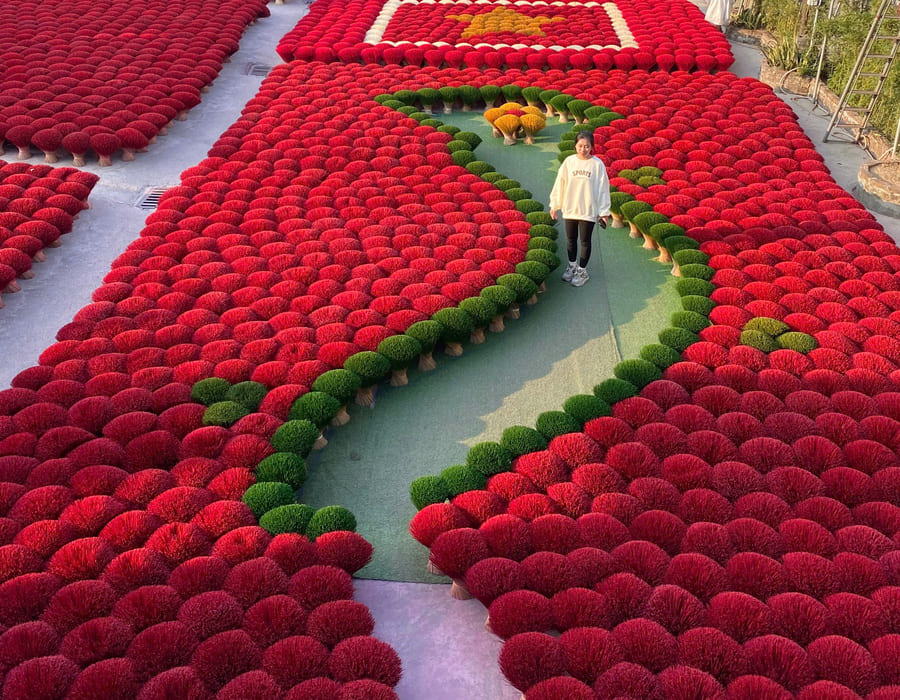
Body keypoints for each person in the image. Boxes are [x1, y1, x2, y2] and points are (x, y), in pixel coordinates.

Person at [549, 130, 611, 287]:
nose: (583, 149)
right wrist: (555, 204)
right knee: (570, 240)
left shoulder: (597, 164)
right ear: (575, 146)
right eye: (580, 146)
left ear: (592, 147)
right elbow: (560, 183)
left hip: (588, 210)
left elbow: (603, 188)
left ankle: (582, 271)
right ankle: (572, 266)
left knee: (585, 241)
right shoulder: (569, 162)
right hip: (570, 208)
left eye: (587, 146)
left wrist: (604, 213)